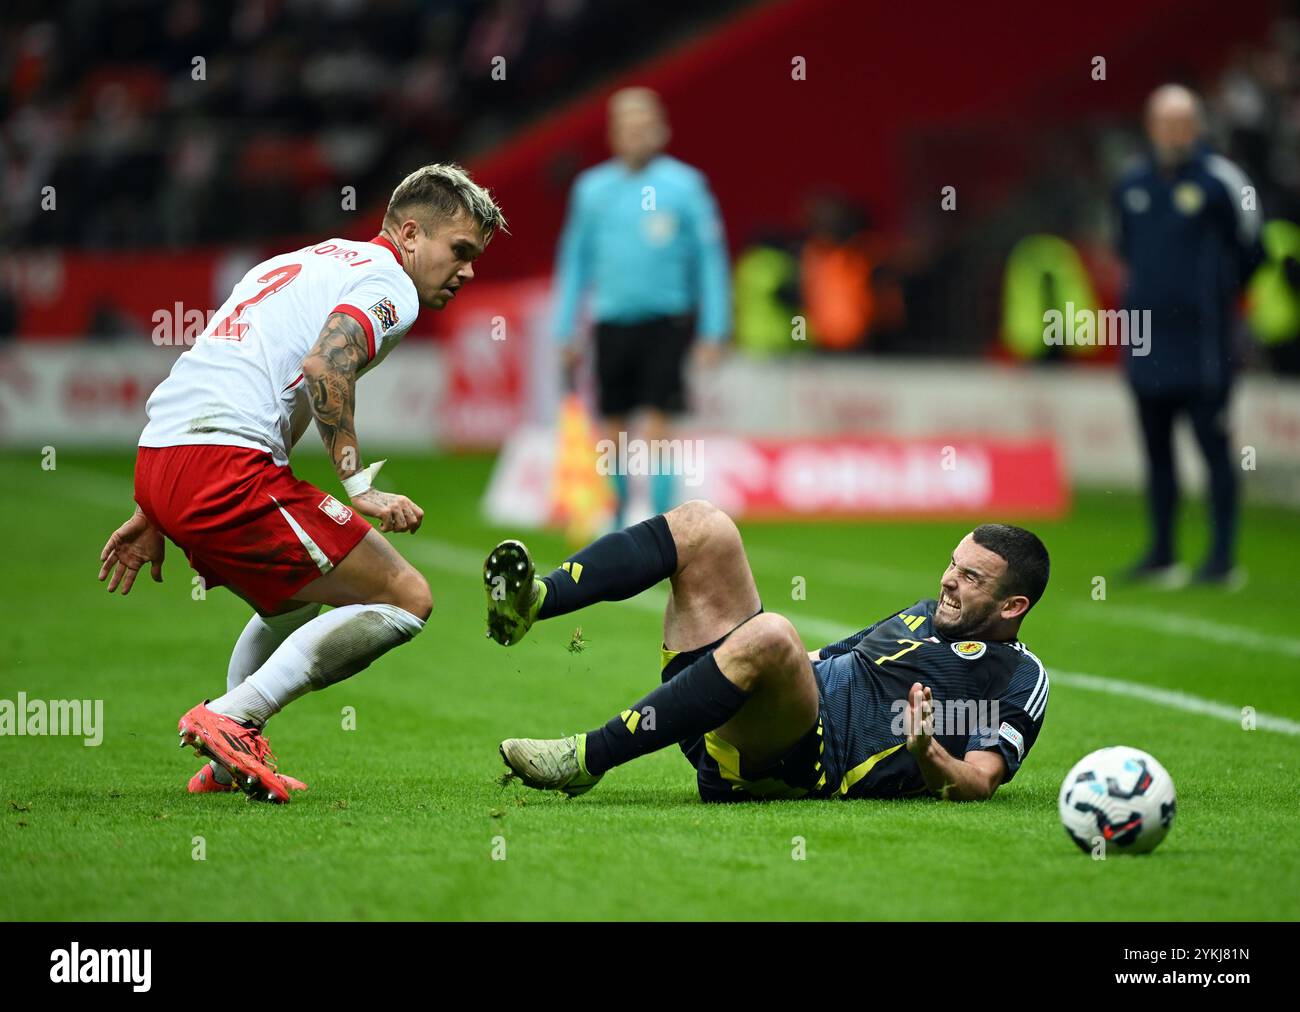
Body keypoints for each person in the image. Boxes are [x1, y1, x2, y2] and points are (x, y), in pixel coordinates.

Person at [96, 164, 507, 802]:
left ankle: (230, 760)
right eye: (459, 251)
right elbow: (325, 363)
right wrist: (359, 485)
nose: (468, 271)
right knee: (406, 597)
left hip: (164, 454)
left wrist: (154, 508)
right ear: (408, 232)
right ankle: (233, 718)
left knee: (298, 600)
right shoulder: (389, 285)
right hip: (220, 463)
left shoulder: (306, 260)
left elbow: (235, 361)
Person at [482, 501, 1049, 803]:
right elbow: (830, 658)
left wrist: (928, 751)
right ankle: (538, 598)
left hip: (802, 765)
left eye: (970, 577)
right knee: (706, 526)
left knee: (775, 634)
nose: (949, 580)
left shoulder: (1017, 677)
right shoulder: (925, 611)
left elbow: (981, 780)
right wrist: (748, 666)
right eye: (952, 562)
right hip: (746, 713)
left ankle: (586, 759)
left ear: (1011, 606)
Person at [551, 87, 731, 525]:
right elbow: (575, 260)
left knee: (659, 427)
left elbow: (711, 258)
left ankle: (661, 526)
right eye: (625, 125)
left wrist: (714, 328)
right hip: (611, 322)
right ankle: (615, 525)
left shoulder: (686, 186)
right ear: (614, 133)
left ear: (661, 129)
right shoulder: (592, 189)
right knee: (612, 428)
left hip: (665, 323)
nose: (634, 133)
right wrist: (565, 329)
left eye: (643, 124)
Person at [1115, 84, 1263, 587]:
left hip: (1205, 349)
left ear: (1198, 125)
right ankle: (1162, 553)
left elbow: (1253, 248)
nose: (1173, 131)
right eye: (1163, 120)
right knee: (1157, 452)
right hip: (1147, 344)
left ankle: (1221, 559)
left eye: (1183, 121)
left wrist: (1215, 298)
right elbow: (1126, 251)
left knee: (1214, 448)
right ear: (1150, 125)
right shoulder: (1132, 182)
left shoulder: (1222, 180)